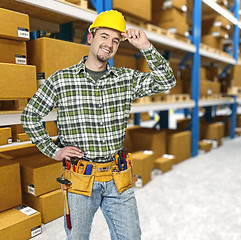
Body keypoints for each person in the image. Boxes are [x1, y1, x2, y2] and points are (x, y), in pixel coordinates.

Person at [21, 10, 176, 240]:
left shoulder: (125, 80)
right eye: (104, 36)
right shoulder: (62, 80)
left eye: (115, 40)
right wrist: (54, 151)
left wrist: (145, 46)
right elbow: (30, 116)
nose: (109, 44)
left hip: (117, 176)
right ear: (90, 37)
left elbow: (166, 81)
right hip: (79, 179)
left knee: (131, 237)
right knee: (78, 238)